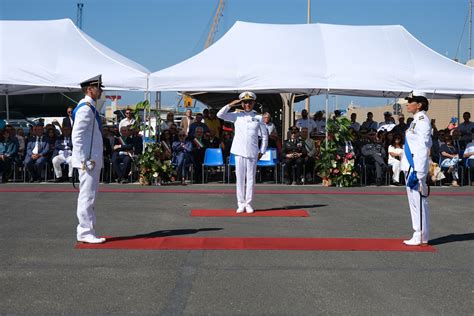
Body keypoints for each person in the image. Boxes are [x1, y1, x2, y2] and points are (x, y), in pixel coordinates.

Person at [217, 91, 268, 213]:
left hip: (252, 150)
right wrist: (231, 104)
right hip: (239, 150)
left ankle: (248, 203)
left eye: (250, 102)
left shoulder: (259, 117)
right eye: (245, 102)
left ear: (253, 103)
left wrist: (262, 150)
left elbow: (265, 136)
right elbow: (220, 115)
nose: (247, 104)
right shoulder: (236, 115)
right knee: (239, 178)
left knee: (250, 178)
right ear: (242, 103)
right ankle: (240, 203)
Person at [71, 75, 106, 244]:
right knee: (87, 196)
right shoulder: (85, 108)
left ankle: (88, 230)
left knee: (90, 196)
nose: (101, 91)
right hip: (88, 160)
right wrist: (84, 159)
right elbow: (76, 136)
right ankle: (85, 231)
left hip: (91, 158)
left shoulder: (89, 107)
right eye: (98, 87)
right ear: (89, 89)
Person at [400, 91, 432, 246]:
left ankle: (420, 235)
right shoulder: (415, 120)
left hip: (415, 167)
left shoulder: (422, 120)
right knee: (413, 201)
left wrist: (418, 169)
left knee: (418, 201)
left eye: (410, 101)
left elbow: (424, 145)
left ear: (419, 105)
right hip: (410, 165)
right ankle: (418, 233)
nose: (407, 104)